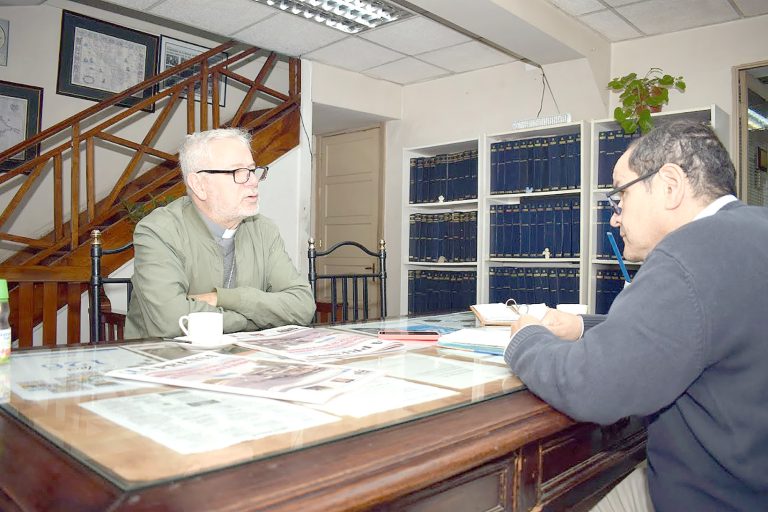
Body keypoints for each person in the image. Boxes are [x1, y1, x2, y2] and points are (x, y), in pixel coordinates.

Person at [505, 120, 768, 511]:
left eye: (620, 197)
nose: (614, 217)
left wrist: (525, 338)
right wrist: (581, 326)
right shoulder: (753, 229)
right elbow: (700, 332)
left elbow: (590, 384)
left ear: (669, 186)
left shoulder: (687, 254)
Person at [125, 128, 315, 338]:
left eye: (252, 170)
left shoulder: (263, 230)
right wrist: (257, 319)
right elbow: (172, 320)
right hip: (163, 362)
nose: (253, 181)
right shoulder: (158, 231)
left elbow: (303, 306)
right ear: (199, 185)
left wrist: (227, 298)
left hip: (241, 360)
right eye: (237, 172)